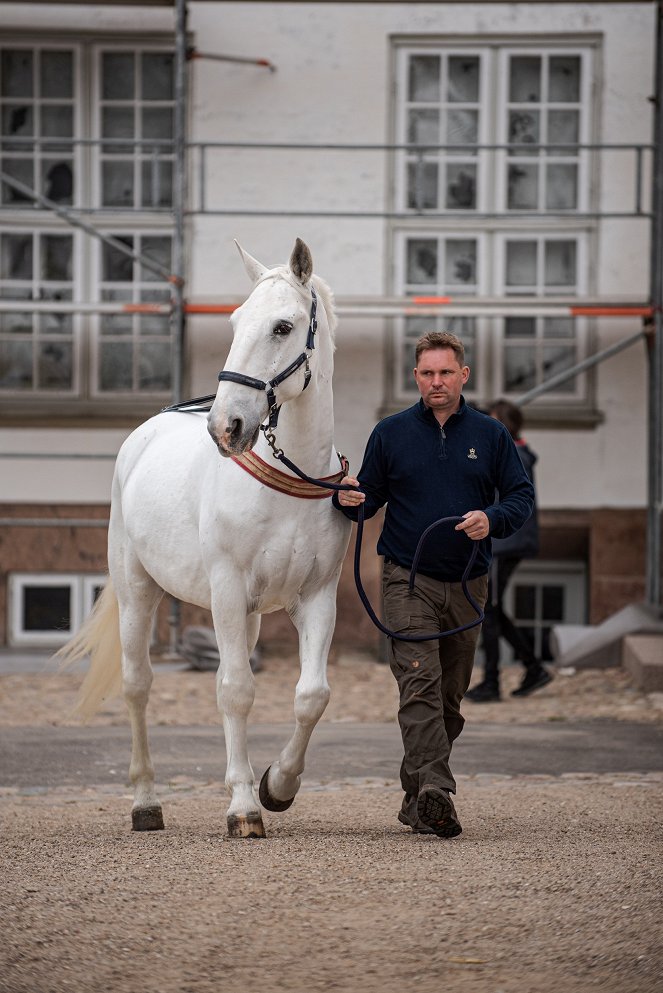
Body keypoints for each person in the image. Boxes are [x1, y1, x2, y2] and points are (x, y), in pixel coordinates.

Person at [333, 332, 534, 838]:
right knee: (418, 682)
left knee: (448, 698)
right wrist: (347, 500)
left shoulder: (490, 435)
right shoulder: (391, 432)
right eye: (427, 373)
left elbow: (520, 497)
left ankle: (415, 791)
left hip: (469, 582)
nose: (436, 382)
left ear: (463, 375)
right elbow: (367, 497)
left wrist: (492, 518)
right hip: (407, 577)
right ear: (415, 376)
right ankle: (439, 791)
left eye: (445, 373)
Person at [466, 400, 553, 703]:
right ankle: (532, 667)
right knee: (491, 609)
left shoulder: (513, 453)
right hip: (506, 541)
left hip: (505, 542)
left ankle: (493, 680)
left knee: (487, 609)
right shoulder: (514, 451)